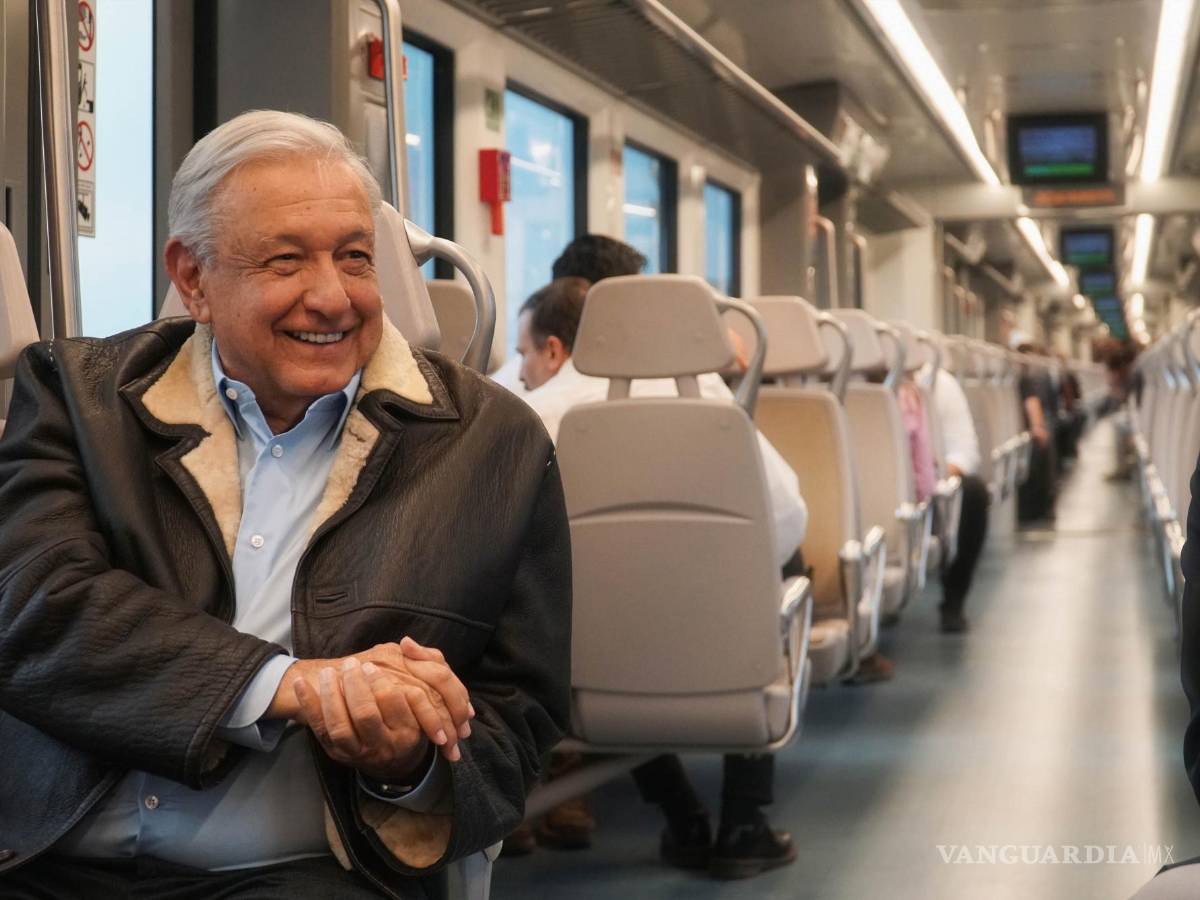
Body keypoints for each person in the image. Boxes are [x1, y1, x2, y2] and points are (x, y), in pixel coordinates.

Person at [0, 110, 571, 899]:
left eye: (355, 257)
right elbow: (32, 609)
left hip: (306, 873)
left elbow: (521, 719)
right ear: (193, 278)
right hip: (48, 854)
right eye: (286, 260)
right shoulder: (78, 398)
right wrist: (295, 686)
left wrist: (408, 762)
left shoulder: (493, 445)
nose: (332, 297)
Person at [516, 274, 807, 879]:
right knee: (771, 577)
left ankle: (682, 815)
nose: (520, 370)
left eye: (524, 355)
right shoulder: (716, 408)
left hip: (587, 686)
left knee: (600, 616)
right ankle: (743, 825)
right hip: (729, 677)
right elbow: (787, 519)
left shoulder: (527, 418)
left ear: (555, 350)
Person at [919, 361, 990, 634]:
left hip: (931, 485)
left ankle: (954, 599)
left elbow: (964, 452)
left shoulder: (938, 384)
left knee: (973, 493)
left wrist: (926, 480)